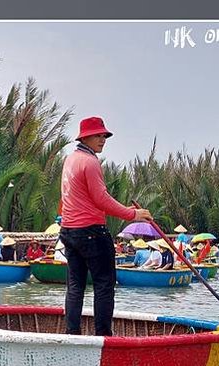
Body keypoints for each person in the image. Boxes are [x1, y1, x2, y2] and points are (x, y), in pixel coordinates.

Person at [60, 116, 152, 336]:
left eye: (104, 136)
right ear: (86, 137)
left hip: (69, 232)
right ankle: (103, 336)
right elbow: (101, 199)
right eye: (97, 135)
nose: (102, 139)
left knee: (75, 286)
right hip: (91, 232)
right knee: (104, 285)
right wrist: (133, 214)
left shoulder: (70, 159)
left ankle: (72, 333)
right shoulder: (90, 162)